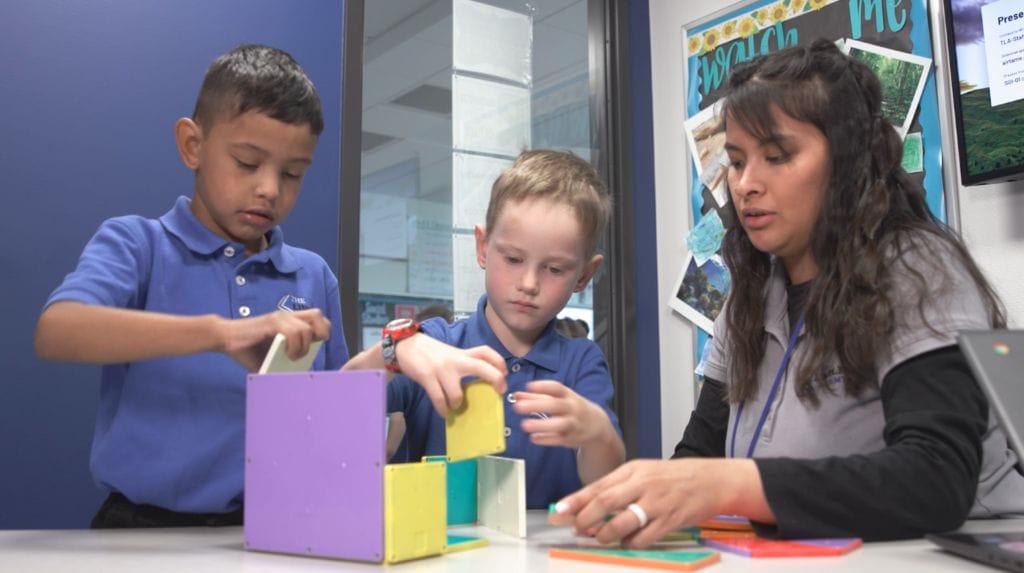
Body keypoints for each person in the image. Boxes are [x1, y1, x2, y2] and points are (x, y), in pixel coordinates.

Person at [550, 39, 1024, 546]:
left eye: (777, 156)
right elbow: (701, 456)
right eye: (735, 161)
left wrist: (731, 484)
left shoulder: (918, 269)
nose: (745, 184)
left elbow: (934, 480)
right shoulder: (750, 293)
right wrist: (644, 502)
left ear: (847, 161)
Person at [34, 44, 505, 528]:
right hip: (139, 529)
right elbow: (58, 330)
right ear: (193, 145)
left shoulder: (311, 275)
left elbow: (329, 412)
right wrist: (223, 333)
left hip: (276, 526)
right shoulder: (138, 244)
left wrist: (392, 354)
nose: (270, 189)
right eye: (246, 163)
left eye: (292, 173)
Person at [386, 150, 625, 509]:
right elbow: (335, 410)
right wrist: (395, 349)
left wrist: (598, 433)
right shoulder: (438, 344)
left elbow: (605, 483)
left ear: (585, 275)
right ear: (482, 247)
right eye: (513, 259)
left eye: (555, 269)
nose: (528, 283)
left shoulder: (582, 362)